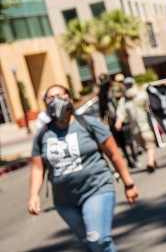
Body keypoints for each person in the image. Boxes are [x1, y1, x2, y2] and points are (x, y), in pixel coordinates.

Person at [28, 84, 138, 251]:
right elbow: (37, 168)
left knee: (98, 238)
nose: (55, 100)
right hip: (65, 202)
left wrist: (128, 184)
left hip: (96, 189)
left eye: (59, 95)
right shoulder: (43, 134)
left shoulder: (89, 124)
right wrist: (34, 195)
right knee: (90, 244)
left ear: (69, 98)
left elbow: (114, 155)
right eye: (50, 98)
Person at [115, 77, 158, 173]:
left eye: (130, 84)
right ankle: (152, 160)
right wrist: (118, 122)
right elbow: (121, 113)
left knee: (149, 144)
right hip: (134, 129)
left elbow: (151, 105)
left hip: (145, 126)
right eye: (127, 85)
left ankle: (150, 162)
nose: (129, 87)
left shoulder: (142, 95)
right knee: (143, 146)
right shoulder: (124, 101)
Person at [99, 73, 139, 168]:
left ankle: (134, 156)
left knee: (129, 138)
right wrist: (103, 117)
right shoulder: (102, 93)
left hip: (123, 117)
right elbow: (102, 106)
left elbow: (127, 97)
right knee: (121, 142)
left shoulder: (118, 87)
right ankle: (129, 160)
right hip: (111, 119)